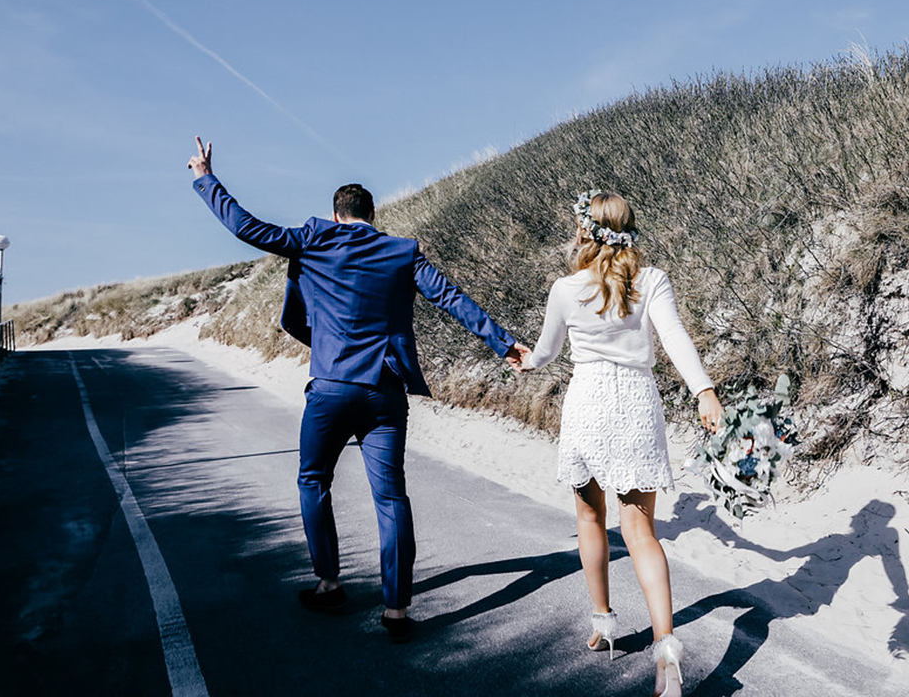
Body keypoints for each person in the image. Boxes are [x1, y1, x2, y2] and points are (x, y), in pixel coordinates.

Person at [186, 136, 528, 642]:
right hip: (384, 393)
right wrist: (504, 345)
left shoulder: (313, 238)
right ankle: (396, 610)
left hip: (329, 390)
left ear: (336, 213)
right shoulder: (402, 251)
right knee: (391, 498)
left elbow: (245, 226)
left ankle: (329, 582)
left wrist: (205, 178)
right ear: (372, 214)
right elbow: (450, 298)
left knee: (312, 480)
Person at [517, 190, 722, 697]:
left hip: (588, 405)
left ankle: (604, 622)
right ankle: (666, 650)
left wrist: (523, 360)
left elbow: (544, 354)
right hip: (635, 405)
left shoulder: (565, 289)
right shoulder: (651, 280)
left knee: (590, 518)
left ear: (585, 231)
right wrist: (705, 390)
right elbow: (675, 338)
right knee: (641, 532)